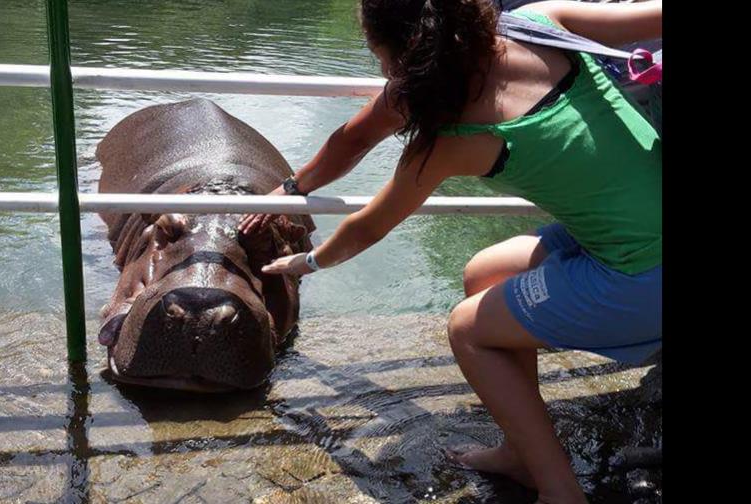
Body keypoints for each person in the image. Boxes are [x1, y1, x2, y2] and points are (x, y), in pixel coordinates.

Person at [239, 1, 661, 502]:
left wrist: (307, 262)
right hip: (627, 241)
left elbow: (368, 226)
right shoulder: (541, 21)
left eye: (378, 55)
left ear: (403, 57)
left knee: (468, 329)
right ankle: (519, 451)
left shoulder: (454, 137)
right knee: (483, 274)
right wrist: (294, 186)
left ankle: (558, 491)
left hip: (641, 276)